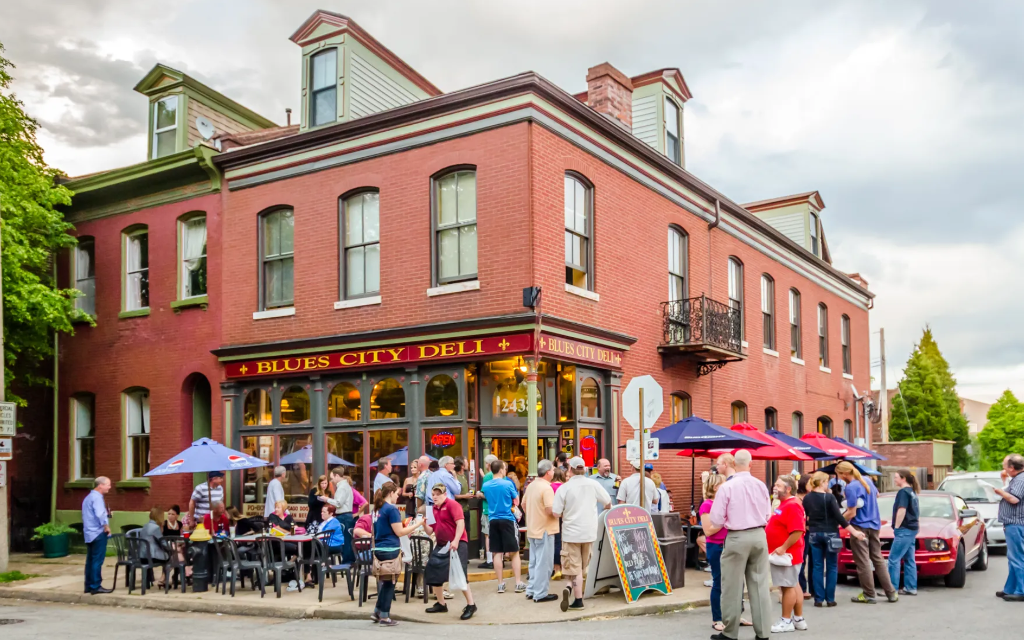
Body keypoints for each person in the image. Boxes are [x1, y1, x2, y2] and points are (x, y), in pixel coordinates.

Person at [707, 450, 773, 640]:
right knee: (760, 585)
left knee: (732, 587)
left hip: (737, 536)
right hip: (759, 535)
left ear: (734, 465)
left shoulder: (727, 487)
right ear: (751, 464)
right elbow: (768, 514)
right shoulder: (761, 485)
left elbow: (717, 520)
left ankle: (730, 633)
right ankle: (763, 633)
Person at [552, 456, 611, 612]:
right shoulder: (593, 484)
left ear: (569, 469)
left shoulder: (564, 488)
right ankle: (569, 587)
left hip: (571, 533)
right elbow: (608, 502)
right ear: (584, 469)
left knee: (574, 568)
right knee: (582, 567)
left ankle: (578, 600)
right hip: (589, 532)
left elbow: (556, 512)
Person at [837, 461, 898, 604]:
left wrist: (838, 520)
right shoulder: (867, 480)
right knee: (878, 559)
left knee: (863, 561)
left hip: (859, 526)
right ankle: (891, 592)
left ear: (845, 473)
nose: (839, 478)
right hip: (875, 524)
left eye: (839, 475)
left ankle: (869, 594)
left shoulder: (851, 487)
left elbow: (851, 512)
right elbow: (876, 496)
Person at [803, 471, 865, 607]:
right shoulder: (829, 498)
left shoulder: (807, 498)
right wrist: (855, 532)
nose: (827, 484)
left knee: (817, 567)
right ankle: (830, 598)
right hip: (831, 533)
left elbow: (806, 517)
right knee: (831, 566)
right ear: (822, 482)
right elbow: (840, 518)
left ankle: (818, 598)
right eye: (826, 482)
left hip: (814, 534)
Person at [372, 481, 426, 626]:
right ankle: (384, 616)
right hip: (391, 549)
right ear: (391, 493)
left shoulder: (377, 509)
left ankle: (377, 611)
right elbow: (399, 532)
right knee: (391, 583)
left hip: (378, 548)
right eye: (396, 494)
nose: (398, 497)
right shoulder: (392, 509)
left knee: (385, 581)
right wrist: (417, 525)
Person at [422, 483, 477, 619]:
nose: (435, 497)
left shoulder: (453, 505)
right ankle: (441, 603)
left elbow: (460, 523)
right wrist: (423, 523)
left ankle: (471, 604)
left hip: (457, 544)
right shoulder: (432, 509)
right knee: (433, 570)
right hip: (441, 544)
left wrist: (456, 540)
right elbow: (430, 531)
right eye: (433, 494)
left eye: (438, 494)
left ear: (444, 494)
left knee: (460, 574)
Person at [766, 475, 807, 633]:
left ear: (788, 488)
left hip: (788, 554)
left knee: (787, 586)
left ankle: (786, 620)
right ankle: (798, 618)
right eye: (775, 484)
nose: (775, 488)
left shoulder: (792, 505)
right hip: (788, 553)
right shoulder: (786, 504)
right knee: (793, 584)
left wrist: (783, 547)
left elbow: (797, 530)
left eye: (778, 485)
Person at [478, 459, 525, 593]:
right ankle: (517, 582)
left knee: (497, 553)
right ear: (501, 470)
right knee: (514, 552)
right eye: (504, 468)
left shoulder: (486, 485)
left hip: (493, 520)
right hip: (507, 519)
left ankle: (500, 584)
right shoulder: (507, 484)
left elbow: (484, 495)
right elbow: (516, 500)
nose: (505, 470)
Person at [524, 459, 560, 603]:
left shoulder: (531, 486)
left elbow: (523, 503)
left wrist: (533, 515)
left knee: (534, 562)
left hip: (533, 528)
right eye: (552, 469)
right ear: (547, 473)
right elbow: (550, 510)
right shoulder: (547, 488)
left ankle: (531, 590)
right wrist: (562, 512)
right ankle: (540, 593)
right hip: (545, 529)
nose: (553, 471)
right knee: (544, 564)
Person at [994, 453, 1024, 602]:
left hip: (1016, 523)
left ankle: (1021, 590)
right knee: (1013, 557)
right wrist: (1004, 480)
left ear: (1012, 468)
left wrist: (1000, 492)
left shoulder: (1020, 480)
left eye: (1005, 465)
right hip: (1014, 523)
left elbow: (1014, 499)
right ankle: (1010, 588)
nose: (1003, 468)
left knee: (1017, 557)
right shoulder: (1017, 479)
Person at [700, 472, 727, 632]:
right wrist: (725, 522)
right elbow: (708, 531)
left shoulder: (723, 503)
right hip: (716, 546)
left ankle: (732, 615)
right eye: (724, 484)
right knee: (718, 582)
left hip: (728, 545)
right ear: (716, 487)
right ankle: (717, 618)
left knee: (731, 583)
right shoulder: (707, 505)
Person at [888, 469, 920, 596]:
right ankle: (910, 587)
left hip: (904, 529)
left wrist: (896, 527)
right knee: (909, 559)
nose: (894, 479)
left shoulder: (903, 492)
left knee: (893, 559)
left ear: (903, 479)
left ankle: (891, 589)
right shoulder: (912, 492)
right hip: (912, 528)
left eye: (896, 477)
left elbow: (902, 510)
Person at [82, 476, 112, 594]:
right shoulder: (97, 498)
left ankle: (88, 585)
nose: (109, 487)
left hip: (89, 532)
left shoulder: (88, 498)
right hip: (98, 532)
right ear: (100, 485)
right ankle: (96, 585)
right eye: (108, 484)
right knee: (97, 560)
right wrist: (106, 526)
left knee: (90, 560)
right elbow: (100, 514)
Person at [324, 467, 356, 563]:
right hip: (346, 515)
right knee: (347, 539)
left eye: (332, 478)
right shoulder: (346, 486)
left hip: (343, 516)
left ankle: (347, 562)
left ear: (337, 476)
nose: (331, 480)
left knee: (345, 540)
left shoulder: (342, 487)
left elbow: (338, 503)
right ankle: (349, 561)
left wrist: (326, 499)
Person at [139, 506, 170, 585]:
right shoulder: (156, 528)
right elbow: (163, 543)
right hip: (152, 557)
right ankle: (164, 580)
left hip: (142, 556)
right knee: (170, 557)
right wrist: (171, 548)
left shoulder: (145, 526)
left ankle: (154, 579)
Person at [477, 454, 498, 569]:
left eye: (486, 463)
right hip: (499, 510)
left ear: (489, 464)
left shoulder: (487, 477)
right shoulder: (501, 476)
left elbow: (486, 494)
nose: (485, 465)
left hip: (488, 509)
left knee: (488, 535)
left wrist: (479, 494)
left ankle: (490, 560)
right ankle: (498, 558)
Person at [551, 466, 566, 580]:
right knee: (562, 543)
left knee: (554, 543)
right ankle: (564, 568)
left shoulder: (549, 487)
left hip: (552, 517)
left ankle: (556, 569)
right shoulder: (565, 487)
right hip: (564, 517)